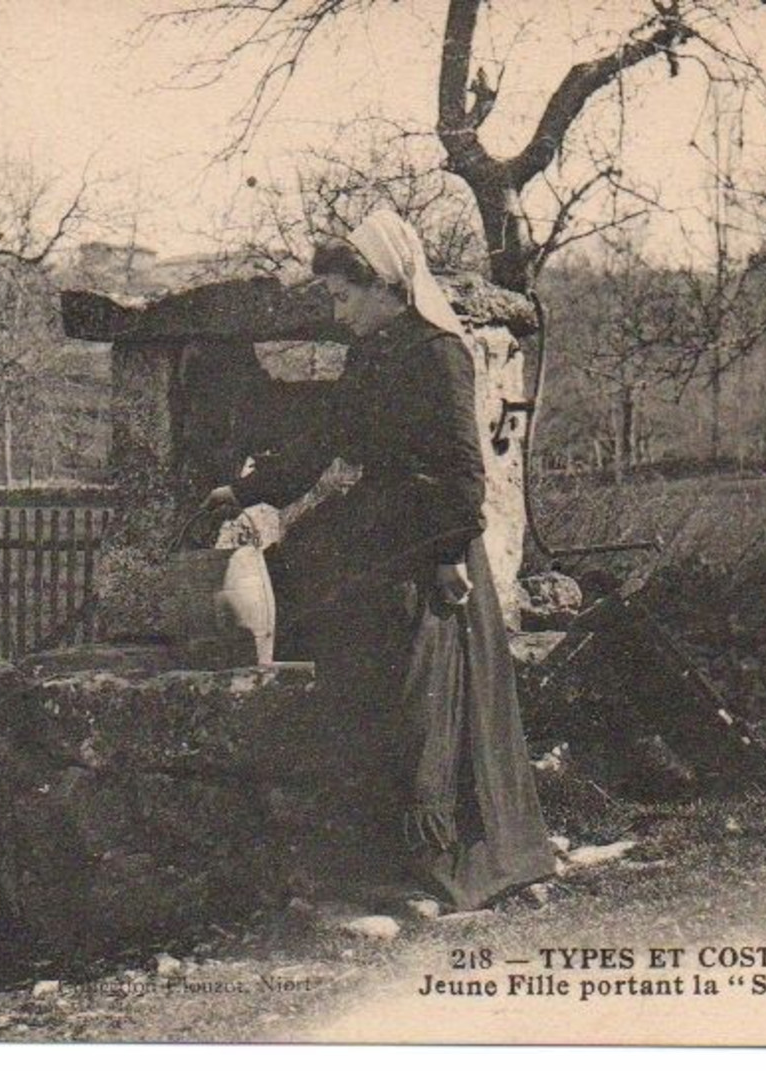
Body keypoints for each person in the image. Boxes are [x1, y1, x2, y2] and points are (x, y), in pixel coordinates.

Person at [202, 210, 555, 911]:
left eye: (342, 296)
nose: (337, 310)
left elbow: (463, 466)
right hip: (379, 538)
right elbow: (324, 440)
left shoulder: (438, 352)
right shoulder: (370, 354)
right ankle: (386, 863)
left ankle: (456, 864)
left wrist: (452, 552)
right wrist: (246, 489)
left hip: (431, 548)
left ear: (386, 285)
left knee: (430, 701)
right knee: (370, 692)